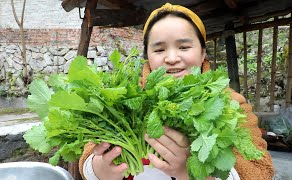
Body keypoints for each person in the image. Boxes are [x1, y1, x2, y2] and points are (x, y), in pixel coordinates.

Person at [79, 3, 275, 180]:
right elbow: (89, 154)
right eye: (159, 50)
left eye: (184, 46)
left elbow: (261, 170)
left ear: (203, 53)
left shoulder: (229, 103)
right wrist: (99, 169)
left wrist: (195, 172)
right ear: (147, 55)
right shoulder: (127, 98)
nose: (172, 58)